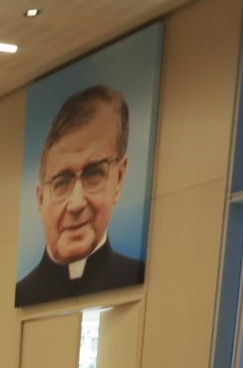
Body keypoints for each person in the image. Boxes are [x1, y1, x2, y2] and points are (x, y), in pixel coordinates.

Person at [15, 86, 146, 307]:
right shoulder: (23, 293)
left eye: (93, 174)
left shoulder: (135, 274)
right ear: (40, 200)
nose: (76, 203)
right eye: (61, 182)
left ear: (119, 177)